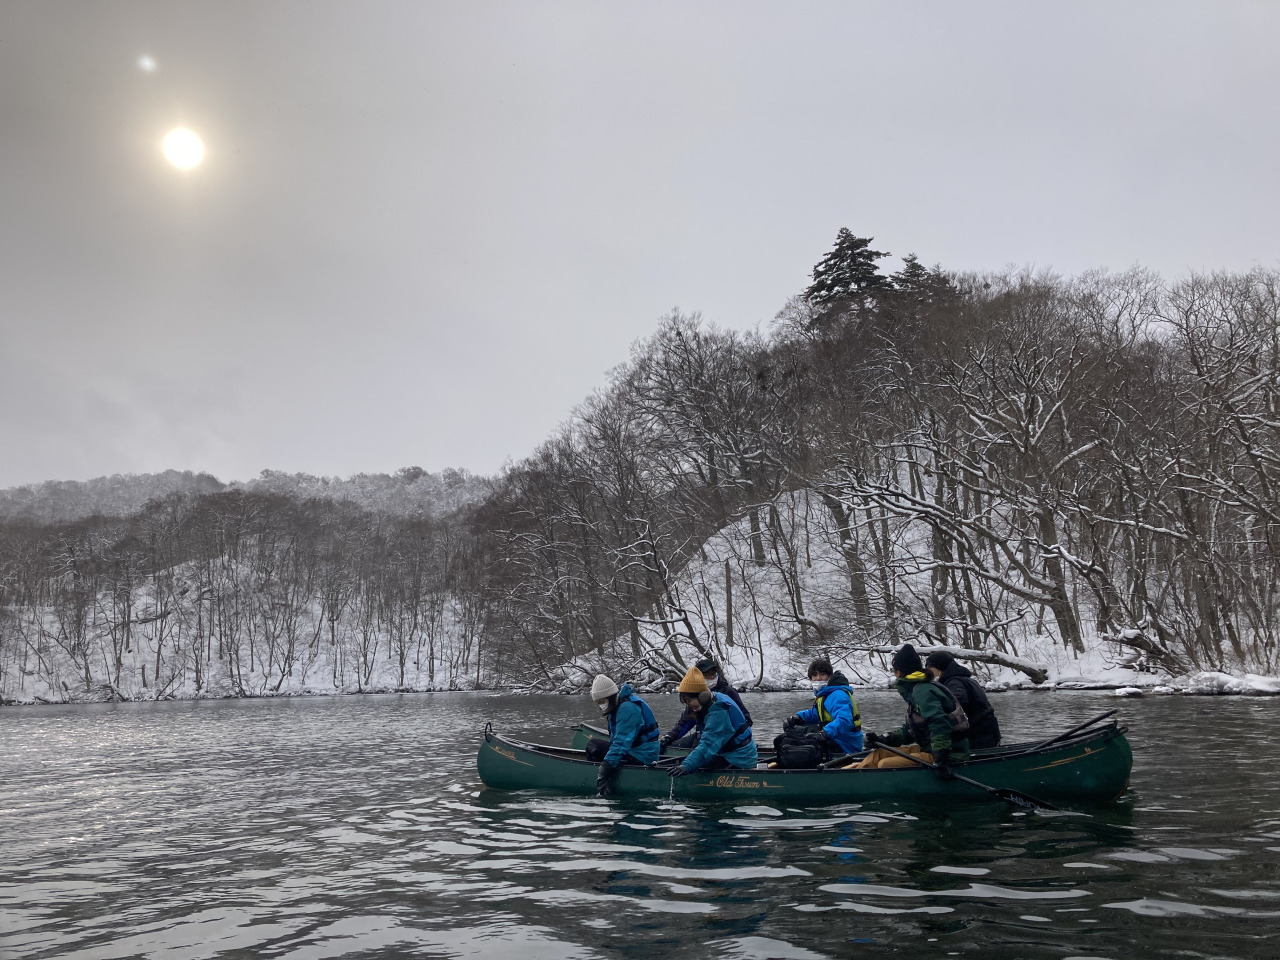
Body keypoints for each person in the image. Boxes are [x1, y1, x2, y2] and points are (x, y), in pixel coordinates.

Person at [858, 644, 970, 776]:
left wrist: (941, 756)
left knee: (885, 764)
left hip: (949, 753)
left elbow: (939, 723)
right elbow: (912, 729)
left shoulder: (922, 691)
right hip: (929, 749)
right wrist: (885, 740)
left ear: (899, 672)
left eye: (894, 671)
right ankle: (850, 775)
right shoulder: (917, 689)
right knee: (880, 753)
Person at [668, 667, 757, 777]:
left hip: (739, 759)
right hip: (729, 753)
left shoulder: (718, 710)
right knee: (694, 754)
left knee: (694, 765)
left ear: (701, 696)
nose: (688, 705)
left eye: (689, 701)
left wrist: (686, 766)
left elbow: (708, 743)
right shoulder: (713, 699)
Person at [586, 674, 660, 796]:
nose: (600, 705)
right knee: (597, 747)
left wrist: (605, 768)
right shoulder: (617, 705)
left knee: (593, 745)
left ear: (610, 697)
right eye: (598, 702)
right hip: (637, 751)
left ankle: (605, 782)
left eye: (602, 701)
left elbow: (621, 742)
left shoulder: (628, 708)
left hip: (642, 755)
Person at [659, 657, 752, 751]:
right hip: (704, 737)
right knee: (672, 747)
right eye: (706, 675)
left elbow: (746, 720)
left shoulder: (728, 692)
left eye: (712, 674)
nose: (711, 677)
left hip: (727, 742)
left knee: (699, 753)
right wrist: (668, 738)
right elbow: (685, 722)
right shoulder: (694, 695)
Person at [782, 657, 864, 756]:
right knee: (789, 739)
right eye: (814, 675)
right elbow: (818, 714)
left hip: (846, 745)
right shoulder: (825, 694)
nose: (818, 678)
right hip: (836, 740)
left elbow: (844, 721)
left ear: (829, 676)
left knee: (800, 746)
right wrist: (799, 717)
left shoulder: (837, 695)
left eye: (822, 674)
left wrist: (824, 733)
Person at [924, 650, 1001, 749]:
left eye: (930, 667)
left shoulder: (954, 682)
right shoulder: (966, 679)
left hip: (978, 734)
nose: (928, 670)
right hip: (988, 730)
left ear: (940, 666)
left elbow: (958, 702)